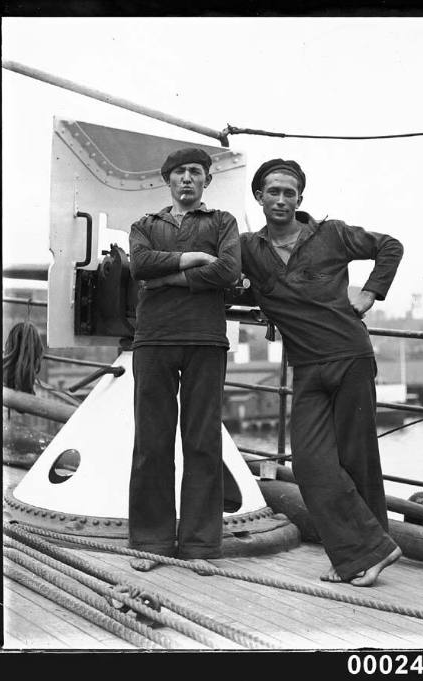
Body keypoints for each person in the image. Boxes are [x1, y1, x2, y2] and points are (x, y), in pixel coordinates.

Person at [240, 158, 403, 586]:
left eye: (289, 192)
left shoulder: (330, 234)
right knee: (311, 462)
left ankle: (361, 555)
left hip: (350, 358)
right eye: (272, 191)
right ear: (259, 197)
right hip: (308, 369)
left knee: (357, 459)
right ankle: (372, 549)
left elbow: (390, 246)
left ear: (300, 199)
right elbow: (220, 273)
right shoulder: (249, 250)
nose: (280, 199)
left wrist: (370, 294)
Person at [128, 147, 241, 559]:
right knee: (151, 442)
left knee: (202, 442)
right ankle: (151, 541)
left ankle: (200, 543)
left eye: (196, 171)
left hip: (205, 341)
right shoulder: (145, 225)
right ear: (169, 180)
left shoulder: (223, 222)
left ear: (207, 180)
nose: (188, 178)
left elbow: (228, 271)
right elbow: (139, 265)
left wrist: (167, 279)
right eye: (180, 172)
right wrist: (191, 259)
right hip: (154, 341)